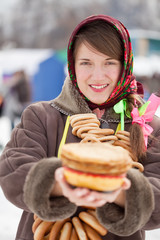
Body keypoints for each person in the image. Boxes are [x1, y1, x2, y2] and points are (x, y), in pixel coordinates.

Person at [0, 14, 160, 240]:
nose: (97, 75)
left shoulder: (147, 125)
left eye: (109, 63)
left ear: (125, 65)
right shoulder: (41, 116)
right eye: (86, 63)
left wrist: (120, 191)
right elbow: (13, 173)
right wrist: (59, 183)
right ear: (72, 66)